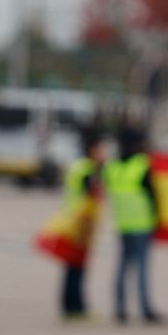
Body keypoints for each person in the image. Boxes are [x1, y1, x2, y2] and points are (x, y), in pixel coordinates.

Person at [105, 128, 164, 325]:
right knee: (141, 269)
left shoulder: (112, 167)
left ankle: (120, 309)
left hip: (123, 223)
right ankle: (145, 308)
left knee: (122, 268)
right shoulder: (141, 165)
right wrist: (158, 218)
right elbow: (152, 195)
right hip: (141, 223)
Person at [58, 128, 106, 321]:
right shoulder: (88, 169)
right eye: (101, 149)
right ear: (92, 150)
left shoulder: (78, 166)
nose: (103, 154)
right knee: (77, 267)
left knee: (72, 267)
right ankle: (76, 308)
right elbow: (91, 194)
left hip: (71, 220)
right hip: (81, 223)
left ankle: (70, 306)